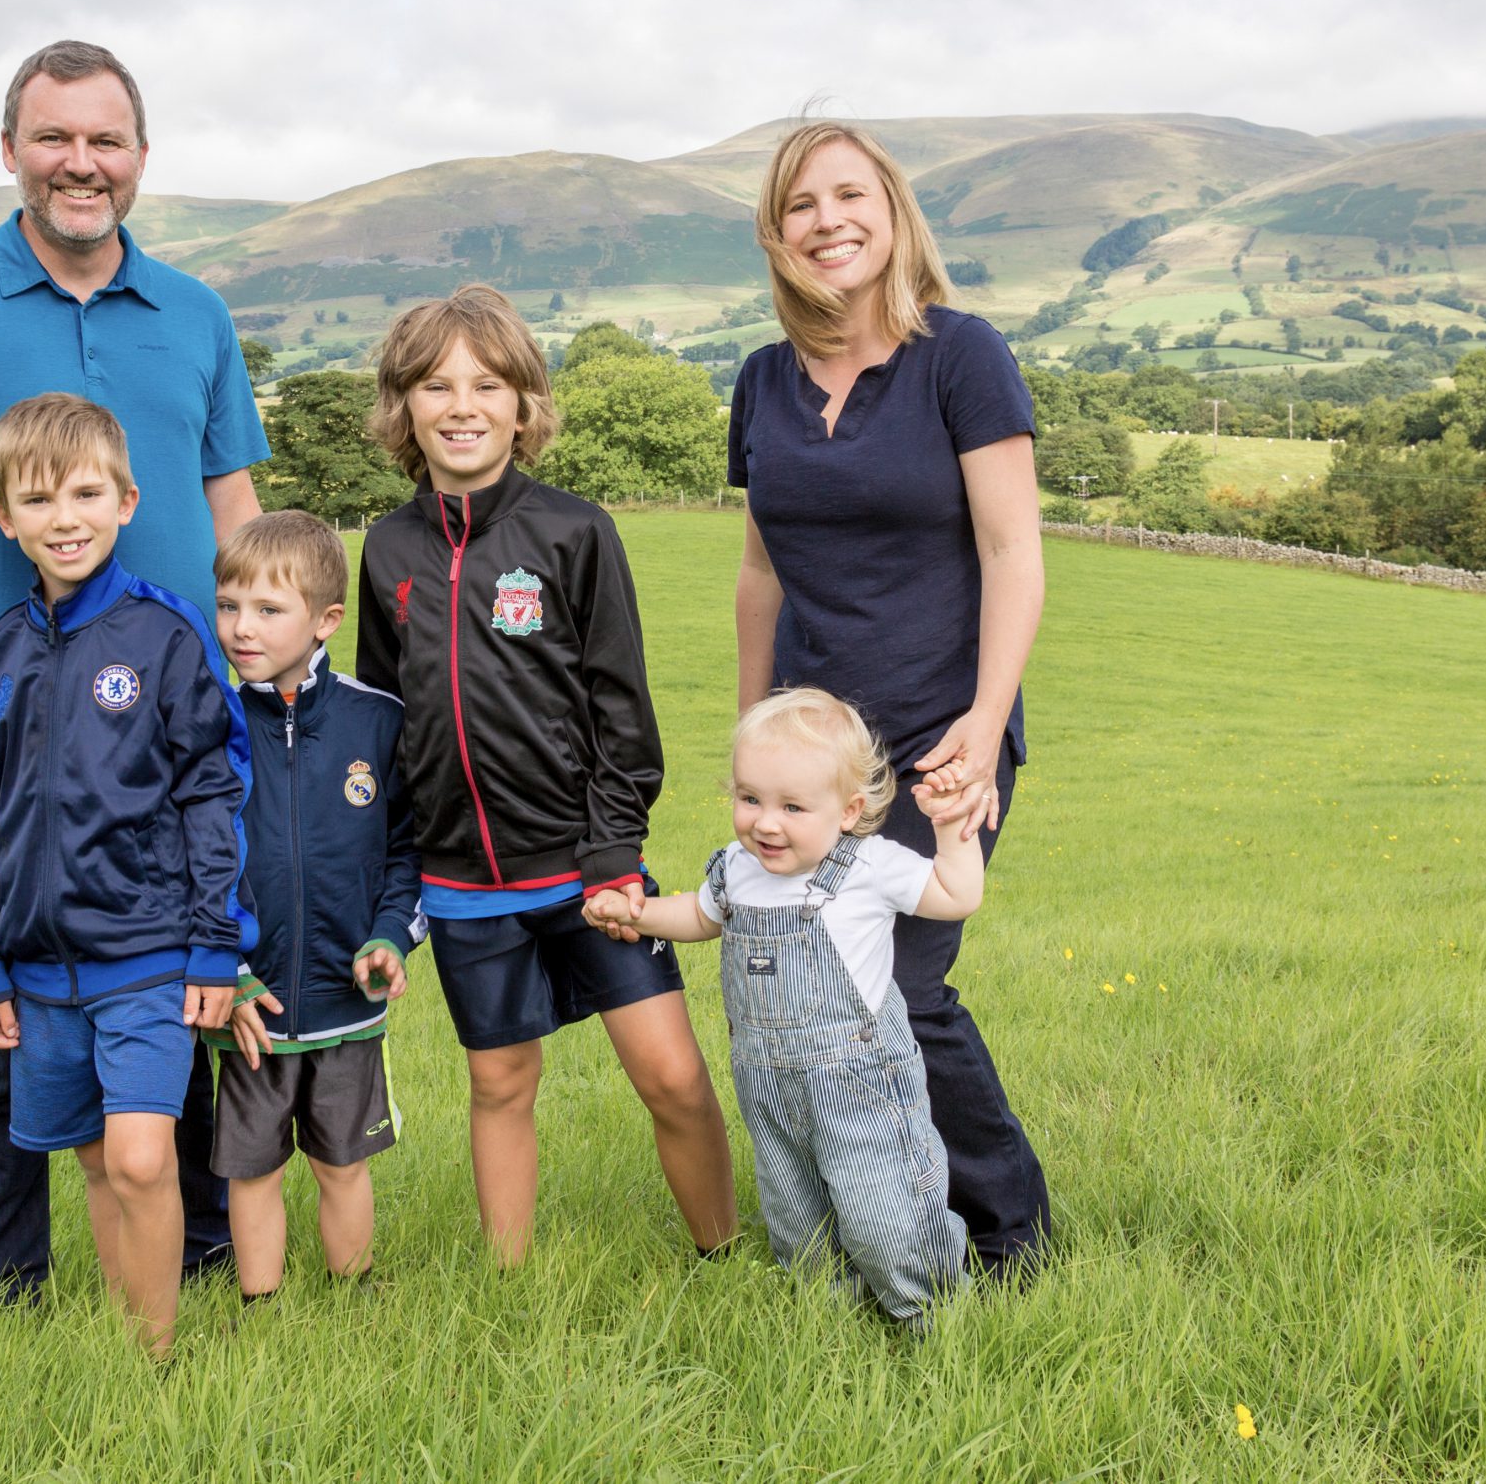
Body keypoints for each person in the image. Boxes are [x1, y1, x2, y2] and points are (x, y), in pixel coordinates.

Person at [0, 40, 268, 1306]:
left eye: (105, 140)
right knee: (6, 1009)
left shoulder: (196, 311)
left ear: (140, 157)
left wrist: (264, 677)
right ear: (9, 151)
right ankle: (1, 1288)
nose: (79, 162)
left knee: (187, 984)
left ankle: (191, 1258)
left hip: (181, 730)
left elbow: (237, 503)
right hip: (11, 733)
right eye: (53, 137)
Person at [353, 284, 737, 1267]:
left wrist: (613, 852)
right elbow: (383, 723)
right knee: (498, 1083)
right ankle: (509, 1282)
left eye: (488, 382)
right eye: (435, 384)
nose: (462, 403)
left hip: (586, 869)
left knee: (672, 1076)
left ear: (524, 404)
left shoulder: (574, 531)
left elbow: (621, 708)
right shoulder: (388, 548)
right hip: (460, 884)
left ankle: (721, 1253)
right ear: (404, 408)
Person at [729, 120, 1052, 1277]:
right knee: (823, 994)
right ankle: (870, 1216)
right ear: (777, 234)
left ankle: (1010, 1230)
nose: (829, 220)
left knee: (902, 985)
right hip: (815, 757)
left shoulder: (961, 356)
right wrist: (752, 742)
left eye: (850, 195)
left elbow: (1015, 554)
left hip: (935, 735)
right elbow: (762, 571)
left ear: (893, 210)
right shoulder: (760, 379)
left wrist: (981, 718)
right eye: (803, 204)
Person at [0, 394, 251, 1354]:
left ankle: (157, 1357)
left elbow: (212, 793)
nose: (64, 516)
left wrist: (215, 944)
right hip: (37, 977)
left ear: (127, 499)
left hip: (152, 959)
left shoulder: (166, 636)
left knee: (141, 1154)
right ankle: (127, 1344)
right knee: (93, 1165)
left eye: (86, 492)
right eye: (38, 499)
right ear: (4, 518)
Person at [588, 688, 974, 1327]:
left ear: (849, 811)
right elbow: (699, 916)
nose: (766, 823)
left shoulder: (867, 869)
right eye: (750, 799)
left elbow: (955, 894)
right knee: (797, 1214)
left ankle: (933, 1316)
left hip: (857, 1082)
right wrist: (637, 914)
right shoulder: (738, 870)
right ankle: (834, 1323)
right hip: (767, 1081)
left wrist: (950, 829)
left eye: (792, 806)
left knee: (886, 1210)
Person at [205, 510, 423, 1299]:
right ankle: (258, 1306)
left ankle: (354, 1293)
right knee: (252, 1168)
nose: (241, 626)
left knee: (343, 1161)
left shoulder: (378, 720)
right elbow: (192, 865)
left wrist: (392, 938)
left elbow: (410, 855)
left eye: (268, 609)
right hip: (250, 1008)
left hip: (346, 1003)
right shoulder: (208, 725)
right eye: (228, 605)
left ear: (327, 619)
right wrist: (226, 968)